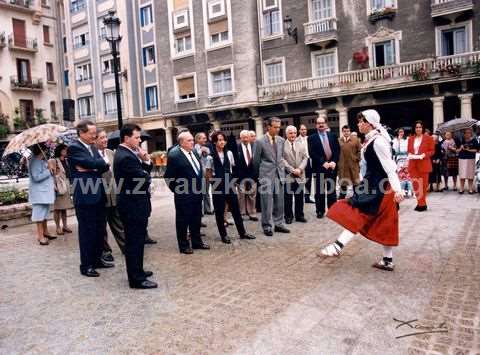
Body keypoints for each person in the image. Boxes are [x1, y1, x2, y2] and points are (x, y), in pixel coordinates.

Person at [319, 110, 405, 271]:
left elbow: (390, 168)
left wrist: (398, 190)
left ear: (369, 123)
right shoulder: (371, 140)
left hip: (379, 187)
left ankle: (337, 246)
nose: (358, 124)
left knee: (357, 213)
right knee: (385, 223)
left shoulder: (378, 141)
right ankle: (387, 260)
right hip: (376, 185)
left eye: (360, 121)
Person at [113, 124, 157, 289]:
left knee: (138, 241)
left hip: (135, 204)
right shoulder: (125, 157)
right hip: (132, 206)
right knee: (134, 242)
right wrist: (145, 165)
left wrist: (145, 161)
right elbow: (143, 178)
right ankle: (136, 279)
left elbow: (143, 173)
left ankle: (138, 270)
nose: (140, 141)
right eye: (137, 137)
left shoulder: (129, 154)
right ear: (126, 138)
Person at [68, 120, 111, 277]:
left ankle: (97, 259)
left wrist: (92, 166)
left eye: (95, 133)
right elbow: (94, 163)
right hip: (85, 197)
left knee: (100, 230)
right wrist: (95, 164)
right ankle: (86, 265)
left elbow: (102, 165)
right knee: (87, 232)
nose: (95, 135)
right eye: (92, 133)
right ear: (81, 133)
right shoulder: (74, 148)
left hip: (98, 194)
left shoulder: (92, 146)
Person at [164, 131, 210, 254]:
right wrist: (178, 191)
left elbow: (197, 171)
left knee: (196, 219)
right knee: (182, 221)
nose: (192, 142)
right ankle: (183, 245)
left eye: (192, 140)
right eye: (189, 140)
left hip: (197, 193)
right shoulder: (174, 155)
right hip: (183, 195)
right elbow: (168, 177)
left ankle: (197, 242)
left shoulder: (194, 152)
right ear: (181, 142)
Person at [209, 131, 255, 243]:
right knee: (219, 211)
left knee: (235, 209)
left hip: (229, 183)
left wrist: (233, 180)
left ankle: (242, 233)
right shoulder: (210, 157)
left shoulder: (229, 153)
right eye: (219, 140)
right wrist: (214, 183)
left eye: (223, 140)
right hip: (217, 185)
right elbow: (208, 174)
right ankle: (223, 235)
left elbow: (232, 167)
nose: (222, 142)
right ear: (215, 141)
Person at [253, 117, 290, 236]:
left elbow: (281, 158)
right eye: (275, 127)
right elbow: (256, 161)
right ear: (268, 127)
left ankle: (279, 224)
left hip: (279, 175)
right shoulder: (259, 142)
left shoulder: (281, 140)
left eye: (279, 127)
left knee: (280, 202)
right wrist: (259, 177)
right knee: (266, 203)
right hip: (266, 176)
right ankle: (267, 226)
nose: (278, 129)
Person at [95, 129, 126, 262]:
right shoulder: (91, 155)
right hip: (101, 194)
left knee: (118, 222)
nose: (105, 140)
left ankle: (126, 247)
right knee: (101, 226)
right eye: (101, 138)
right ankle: (105, 251)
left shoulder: (110, 153)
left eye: (105, 137)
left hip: (114, 193)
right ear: (95, 140)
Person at [308, 115, 340, 218]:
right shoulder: (312, 138)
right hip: (319, 167)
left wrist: (334, 161)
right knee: (319, 191)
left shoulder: (332, 135)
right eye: (319, 123)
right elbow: (312, 153)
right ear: (316, 125)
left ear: (326, 124)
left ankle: (332, 211)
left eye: (322, 123)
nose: (321, 125)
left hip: (332, 167)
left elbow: (337, 150)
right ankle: (320, 211)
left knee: (331, 191)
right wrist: (323, 162)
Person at [29, 144, 56, 245]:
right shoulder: (35, 161)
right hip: (39, 194)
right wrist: (49, 171)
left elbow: (49, 174)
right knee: (39, 216)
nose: (47, 151)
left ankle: (46, 232)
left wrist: (51, 169)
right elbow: (36, 177)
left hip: (45, 193)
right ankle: (40, 236)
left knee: (44, 214)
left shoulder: (42, 161)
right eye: (45, 149)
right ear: (41, 150)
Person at [282, 125, 308, 224]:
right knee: (288, 198)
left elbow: (305, 158)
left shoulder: (300, 144)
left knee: (299, 197)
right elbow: (282, 160)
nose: (293, 135)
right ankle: (288, 216)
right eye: (290, 133)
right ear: (286, 134)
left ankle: (299, 215)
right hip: (288, 175)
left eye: (294, 133)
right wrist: (292, 170)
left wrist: (300, 169)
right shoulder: (282, 145)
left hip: (300, 175)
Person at [407, 120, 435, 212]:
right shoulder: (410, 138)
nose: (418, 129)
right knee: (416, 185)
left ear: (422, 128)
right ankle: (421, 204)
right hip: (413, 164)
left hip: (424, 163)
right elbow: (409, 150)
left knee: (423, 185)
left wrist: (424, 155)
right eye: (416, 127)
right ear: (414, 129)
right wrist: (410, 154)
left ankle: (421, 204)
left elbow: (432, 151)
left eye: (420, 127)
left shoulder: (428, 138)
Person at [50, 143, 73, 236]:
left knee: (64, 208)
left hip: (66, 185)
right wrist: (55, 172)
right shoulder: (54, 161)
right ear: (60, 151)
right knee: (57, 208)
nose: (67, 151)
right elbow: (51, 174)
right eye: (65, 150)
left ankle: (65, 225)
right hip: (59, 186)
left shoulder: (67, 161)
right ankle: (58, 227)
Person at [235, 130, 258, 221]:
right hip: (241, 175)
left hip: (252, 174)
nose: (245, 139)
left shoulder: (255, 147)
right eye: (243, 137)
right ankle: (242, 213)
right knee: (241, 195)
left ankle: (252, 213)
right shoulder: (236, 148)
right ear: (240, 138)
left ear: (249, 137)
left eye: (246, 137)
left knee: (252, 195)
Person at [337, 125, 361, 199]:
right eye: (344, 131)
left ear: (349, 131)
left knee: (355, 183)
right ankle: (341, 199)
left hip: (353, 165)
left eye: (347, 131)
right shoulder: (339, 141)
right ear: (342, 132)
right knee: (343, 184)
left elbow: (359, 151)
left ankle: (357, 198)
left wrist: (356, 159)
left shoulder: (356, 140)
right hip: (343, 165)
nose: (346, 132)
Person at [195, 132, 214, 215]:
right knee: (200, 193)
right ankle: (201, 211)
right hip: (199, 173)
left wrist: (207, 153)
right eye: (203, 138)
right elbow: (195, 158)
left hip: (207, 172)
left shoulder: (206, 147)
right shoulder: (194, 148)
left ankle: (208, 209)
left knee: (206, 191)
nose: (205, 140)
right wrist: (200, 151)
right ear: (198, 139)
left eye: (205, 138)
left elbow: (209, 159)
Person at [457, 128, 479, 194]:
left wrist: (468, 150)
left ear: (471, 133)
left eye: (469, 133)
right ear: (464, 134)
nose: (467, 134)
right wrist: (460, 148)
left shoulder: (474, 140)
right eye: (466, 133)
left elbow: (477, 150)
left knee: (470, 174)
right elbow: (456, 150)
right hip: (462, 158)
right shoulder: (461, 140)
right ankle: (461, 188)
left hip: (471, 158)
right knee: (462, 174)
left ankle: (470, 189)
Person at [392, 128, 413, 197]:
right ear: (397, 132)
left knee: (407, 174)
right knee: (400, 174)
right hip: (398, 159)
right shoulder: (395, 140)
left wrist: (408, 159)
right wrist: (398, 140)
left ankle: (409, 190)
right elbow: (394, 149)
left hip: (406, 158)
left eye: (402, 132)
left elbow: (409, 149)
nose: (401, 133)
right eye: (400, 132)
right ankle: (402, 190)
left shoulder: (407, 139)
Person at [297, 124, 314, 203]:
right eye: (302, 129)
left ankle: (307, 197)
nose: (304, 131)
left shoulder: (310, 138)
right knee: (301, 180)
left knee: (308, 180)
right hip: (300, 163)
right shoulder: (296, 140)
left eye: (305, 129)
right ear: (299, 130)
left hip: (309, 161)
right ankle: (300, 197)